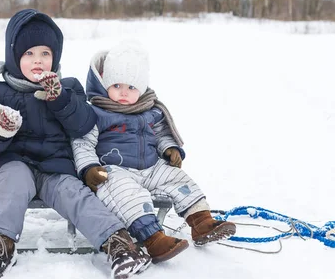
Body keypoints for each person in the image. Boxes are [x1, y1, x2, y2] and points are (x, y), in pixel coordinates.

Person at [0, 9, 151, 279]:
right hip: (15, 163)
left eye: (45, 54)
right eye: (29, 54)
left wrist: (60, 98)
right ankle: (0, 246)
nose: (38, 61)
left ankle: (119, 245)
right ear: (14, 56)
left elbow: (84, 124)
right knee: (10, 185)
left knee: (75, 195)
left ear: (55, 56)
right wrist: (1, 129)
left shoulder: (69, 87)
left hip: (56, 167)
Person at [72, 42, 236, 264]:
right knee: (127, 195)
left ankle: (202, 222)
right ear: (104, 83)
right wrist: (89, 168)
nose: (123, 92)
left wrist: (169, 148)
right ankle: (154, 239)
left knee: (178, 178)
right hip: (114, 171)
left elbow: (161, 134)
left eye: (131, 87)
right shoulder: (96, 112)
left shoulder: (150, 110)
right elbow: (83, 143)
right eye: (117, 85)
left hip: (151, 166)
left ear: (141, 89)